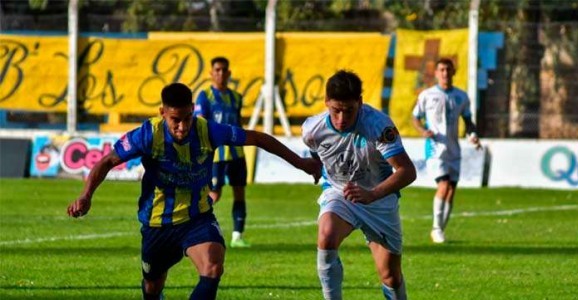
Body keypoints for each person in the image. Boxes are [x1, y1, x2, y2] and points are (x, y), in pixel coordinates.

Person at [67, 83, 321, 300]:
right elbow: (107, 161)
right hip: (157, 225)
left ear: (193, 111)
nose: (182, 126)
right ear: (162, 113)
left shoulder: (207, 130)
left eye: (187, 118)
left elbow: (259, 138)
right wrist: (86, 195)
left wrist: (301, 164)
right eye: (175, 120)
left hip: (196, 218)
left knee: (212, 266)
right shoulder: (147, 134)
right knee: (152, 287)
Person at [302, 70, 416, 300]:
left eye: (349, 111)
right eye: (335, 111)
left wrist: (372, 194)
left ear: (360, 103)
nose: (341, 119)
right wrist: (315, 165)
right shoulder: (312, 130)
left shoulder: (379, 127)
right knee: (326, 236)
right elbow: (318, 153)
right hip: (339, 193)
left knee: (390, 276)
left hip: (379, 200)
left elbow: (407, 171)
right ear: (326, 103)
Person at [411, 58, 482, 244]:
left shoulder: (461, 96)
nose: (445, 73)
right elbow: (415, 118)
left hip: (453, 149)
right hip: (435, 148)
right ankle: (436, 229)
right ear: (436, 73)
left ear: (453, 72)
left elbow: (468, 122)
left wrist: (472, 135)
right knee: (443, 185)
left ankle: (440, 229)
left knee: (451, 189)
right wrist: (423, 131)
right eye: (441, 70)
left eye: (448, 70)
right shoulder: (427, 95)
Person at [194, 57, 251, 248]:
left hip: (237, 155)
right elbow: (200, 125)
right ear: (211, 73)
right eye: (216, 70)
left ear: (229, 73)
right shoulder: (205, 96)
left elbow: (239, 123)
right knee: (214, 194)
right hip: (216, 156)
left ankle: (237, 237)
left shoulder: (236, 97)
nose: (220, 73)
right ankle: (191, 224)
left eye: (223, 70)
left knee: (239, 192)